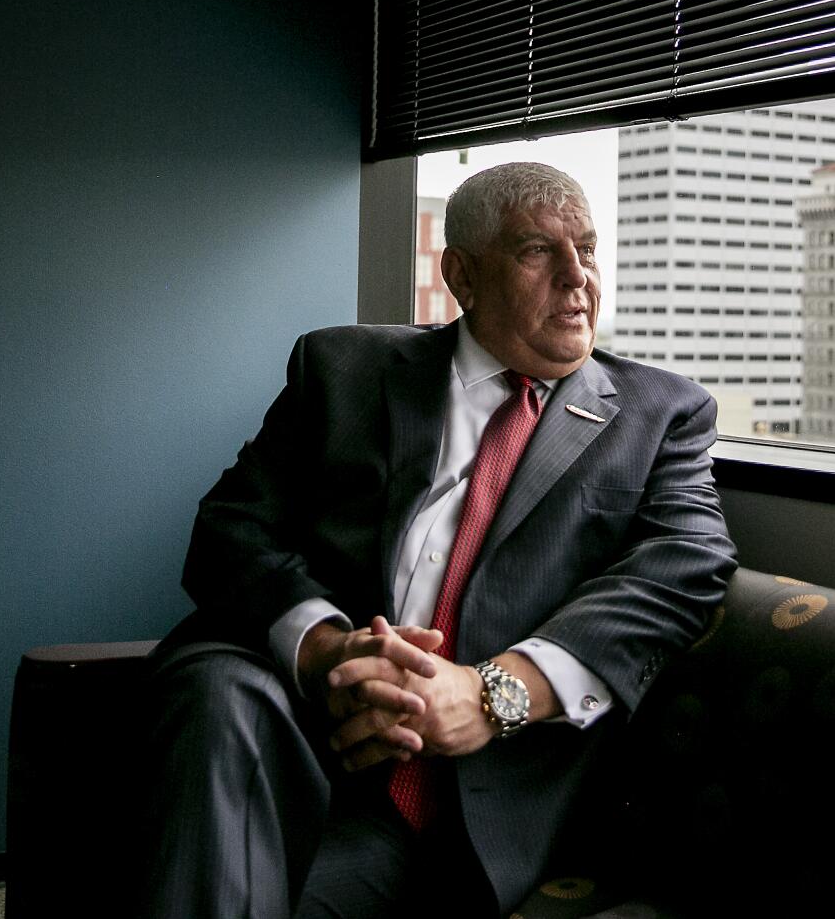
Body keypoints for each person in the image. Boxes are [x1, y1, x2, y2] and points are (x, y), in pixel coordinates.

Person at [139, 161, 736, 917]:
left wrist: (491, 694)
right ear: (462, 272)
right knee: (216, 686)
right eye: (536, 251)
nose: (577, 276)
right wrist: (327, 651)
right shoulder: (342, 369)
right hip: (293, 728)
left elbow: (686, 564)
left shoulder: (661, 413)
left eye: (587, 249)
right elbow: (229, 527)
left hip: (471, 795)